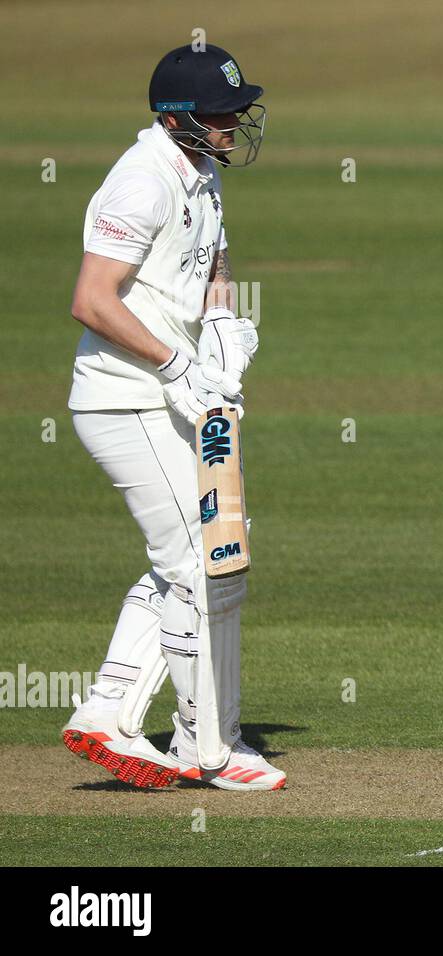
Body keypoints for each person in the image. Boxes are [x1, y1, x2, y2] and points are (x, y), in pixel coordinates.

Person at [60, 44, 283, 790]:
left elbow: (213, 266)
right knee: (195, 557)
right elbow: (92, 299)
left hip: (180, 397)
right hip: (126, 399)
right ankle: (203, 746)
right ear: (174, 117)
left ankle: (109, 709)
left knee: (218, 550)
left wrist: (221, 329)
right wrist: (178, 364)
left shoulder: (204, 171)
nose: (232, 124)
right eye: (218, 114)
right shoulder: (141, 181)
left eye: (235, 110)